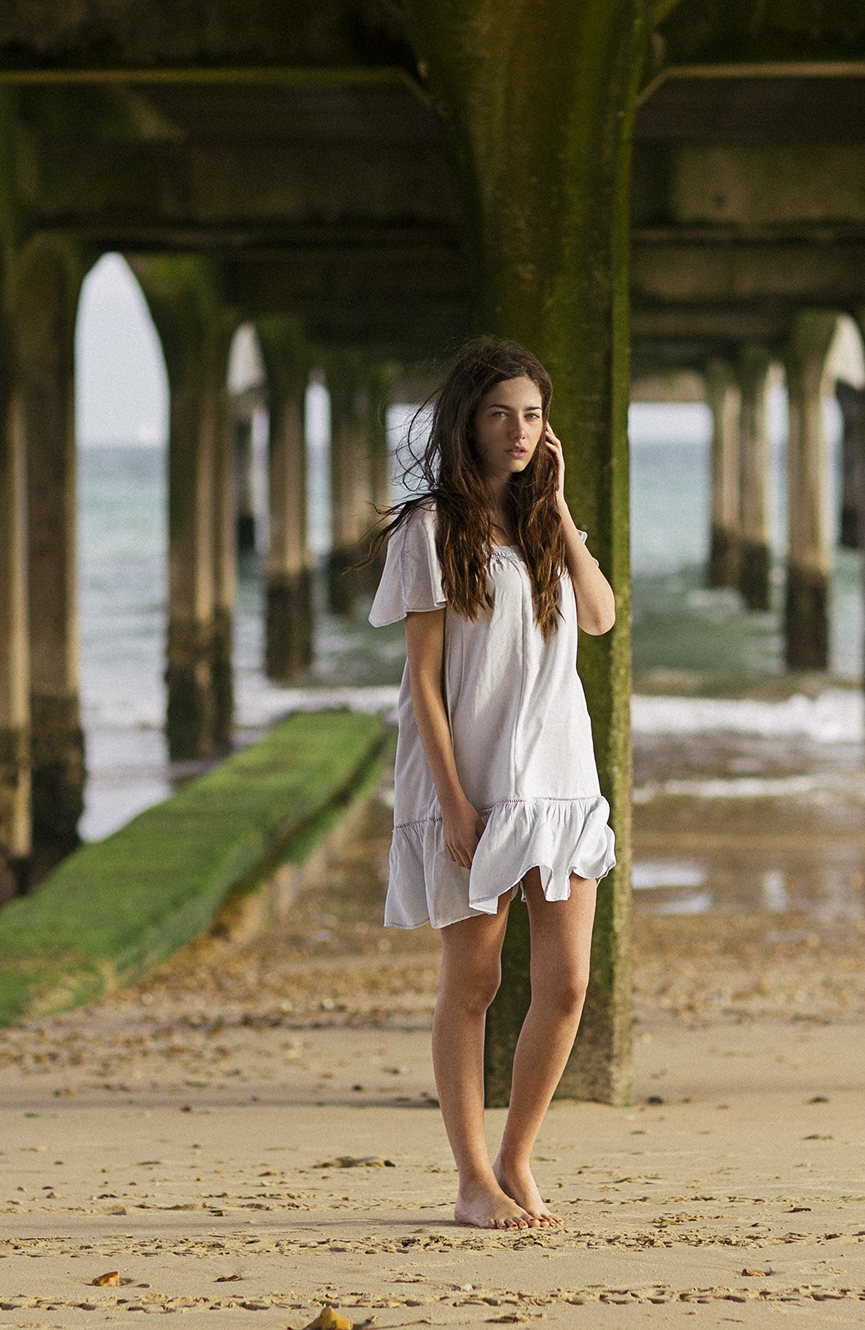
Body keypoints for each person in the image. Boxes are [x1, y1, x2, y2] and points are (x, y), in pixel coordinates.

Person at [367, 336, 617, 1229]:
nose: (519, 429)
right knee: (472, 981)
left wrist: (562, 507)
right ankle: (473, 1178)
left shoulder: (549, 523)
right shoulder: (429, 529)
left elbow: (598, 616)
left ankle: (517, 1156)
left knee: (566, 983)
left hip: (562, 776)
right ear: (468, 423)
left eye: (534, 415)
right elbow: (424, 685)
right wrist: (452, 801)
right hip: (471, 780)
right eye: (502, 413)